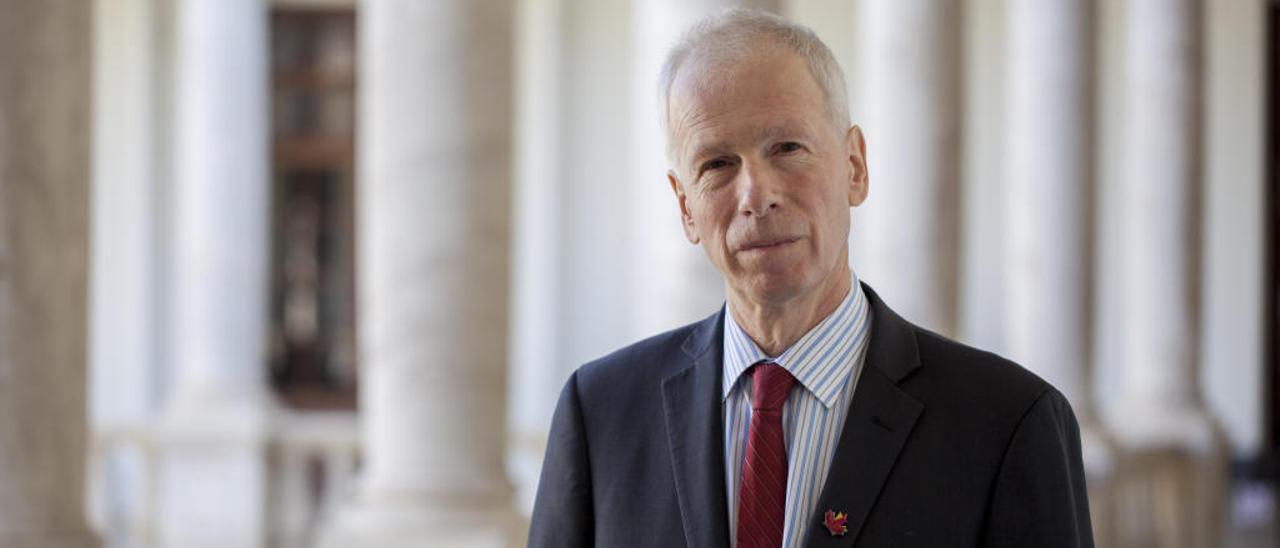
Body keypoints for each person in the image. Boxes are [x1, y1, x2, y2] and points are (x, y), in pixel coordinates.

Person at [528, 8, 1093, 548]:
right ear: (684, 207)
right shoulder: (600, 415)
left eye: (788, 148)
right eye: (717, 165)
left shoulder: (1009, 425)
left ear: (855, 167)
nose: (757, 196)